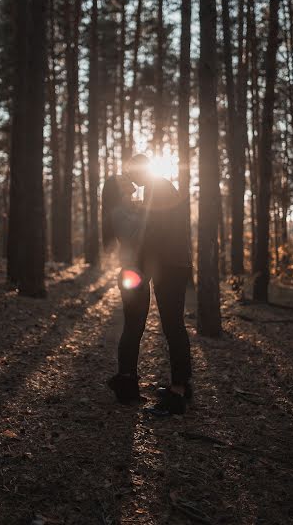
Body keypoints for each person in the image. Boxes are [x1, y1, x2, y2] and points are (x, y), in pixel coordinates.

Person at [102, 155, 193, 416]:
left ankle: (177, 391)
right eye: (124, 178)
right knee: (145, 325)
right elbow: (143, 233)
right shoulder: (137, 201)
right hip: (156, 266)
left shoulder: (156, 191)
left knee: (172, 325)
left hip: (170, 265)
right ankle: (135, 382)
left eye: (130, 174)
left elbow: (155, 232)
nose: (129, 178)